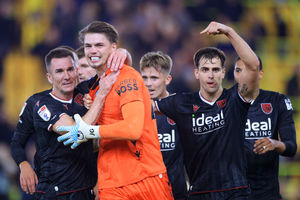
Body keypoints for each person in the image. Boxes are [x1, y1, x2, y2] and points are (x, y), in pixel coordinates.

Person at [57, 21, 174, 200]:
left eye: (99, 45)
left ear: (113, 47)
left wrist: (90, 131)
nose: (92, 50)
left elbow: (132, 129)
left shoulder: (128, 77)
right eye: (88, 46)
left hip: (144, 177)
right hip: (110, 183)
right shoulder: (94, 88)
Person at [151, 21, 260, 199]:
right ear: (196, 73)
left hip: (236, 192)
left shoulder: (236, 98)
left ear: (223, 73)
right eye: (205, 69)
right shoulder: (180, 103)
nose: (210, 75)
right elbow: (142, 107)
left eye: (215, 69)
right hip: (199, 193)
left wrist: (229, 32)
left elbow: (253, 65)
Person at [10, 47, 123, 200]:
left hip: (87, 190)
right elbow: (74, 132)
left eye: (70, 69)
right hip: (54, 192)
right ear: (49, 77)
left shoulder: (85, 91)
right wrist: (23, 164)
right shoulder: (40, 103)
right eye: (59, 71)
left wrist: (122, 53)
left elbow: (115, 71)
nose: (67, 76)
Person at [234, 57, 297, 200]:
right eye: (238, 70)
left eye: (248, 70)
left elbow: (291, 148)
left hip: (268, 194)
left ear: (260, 74)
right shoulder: (224, 105)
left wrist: (275, 144)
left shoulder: (278, 101)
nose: (242, 75)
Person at [140, 51, 188, 200]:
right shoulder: (134, 109)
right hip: (143, 192)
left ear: (167, 79)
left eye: (154, 78)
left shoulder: (181, 108)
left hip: (175, 191)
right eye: (145, 78)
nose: (148, 83)